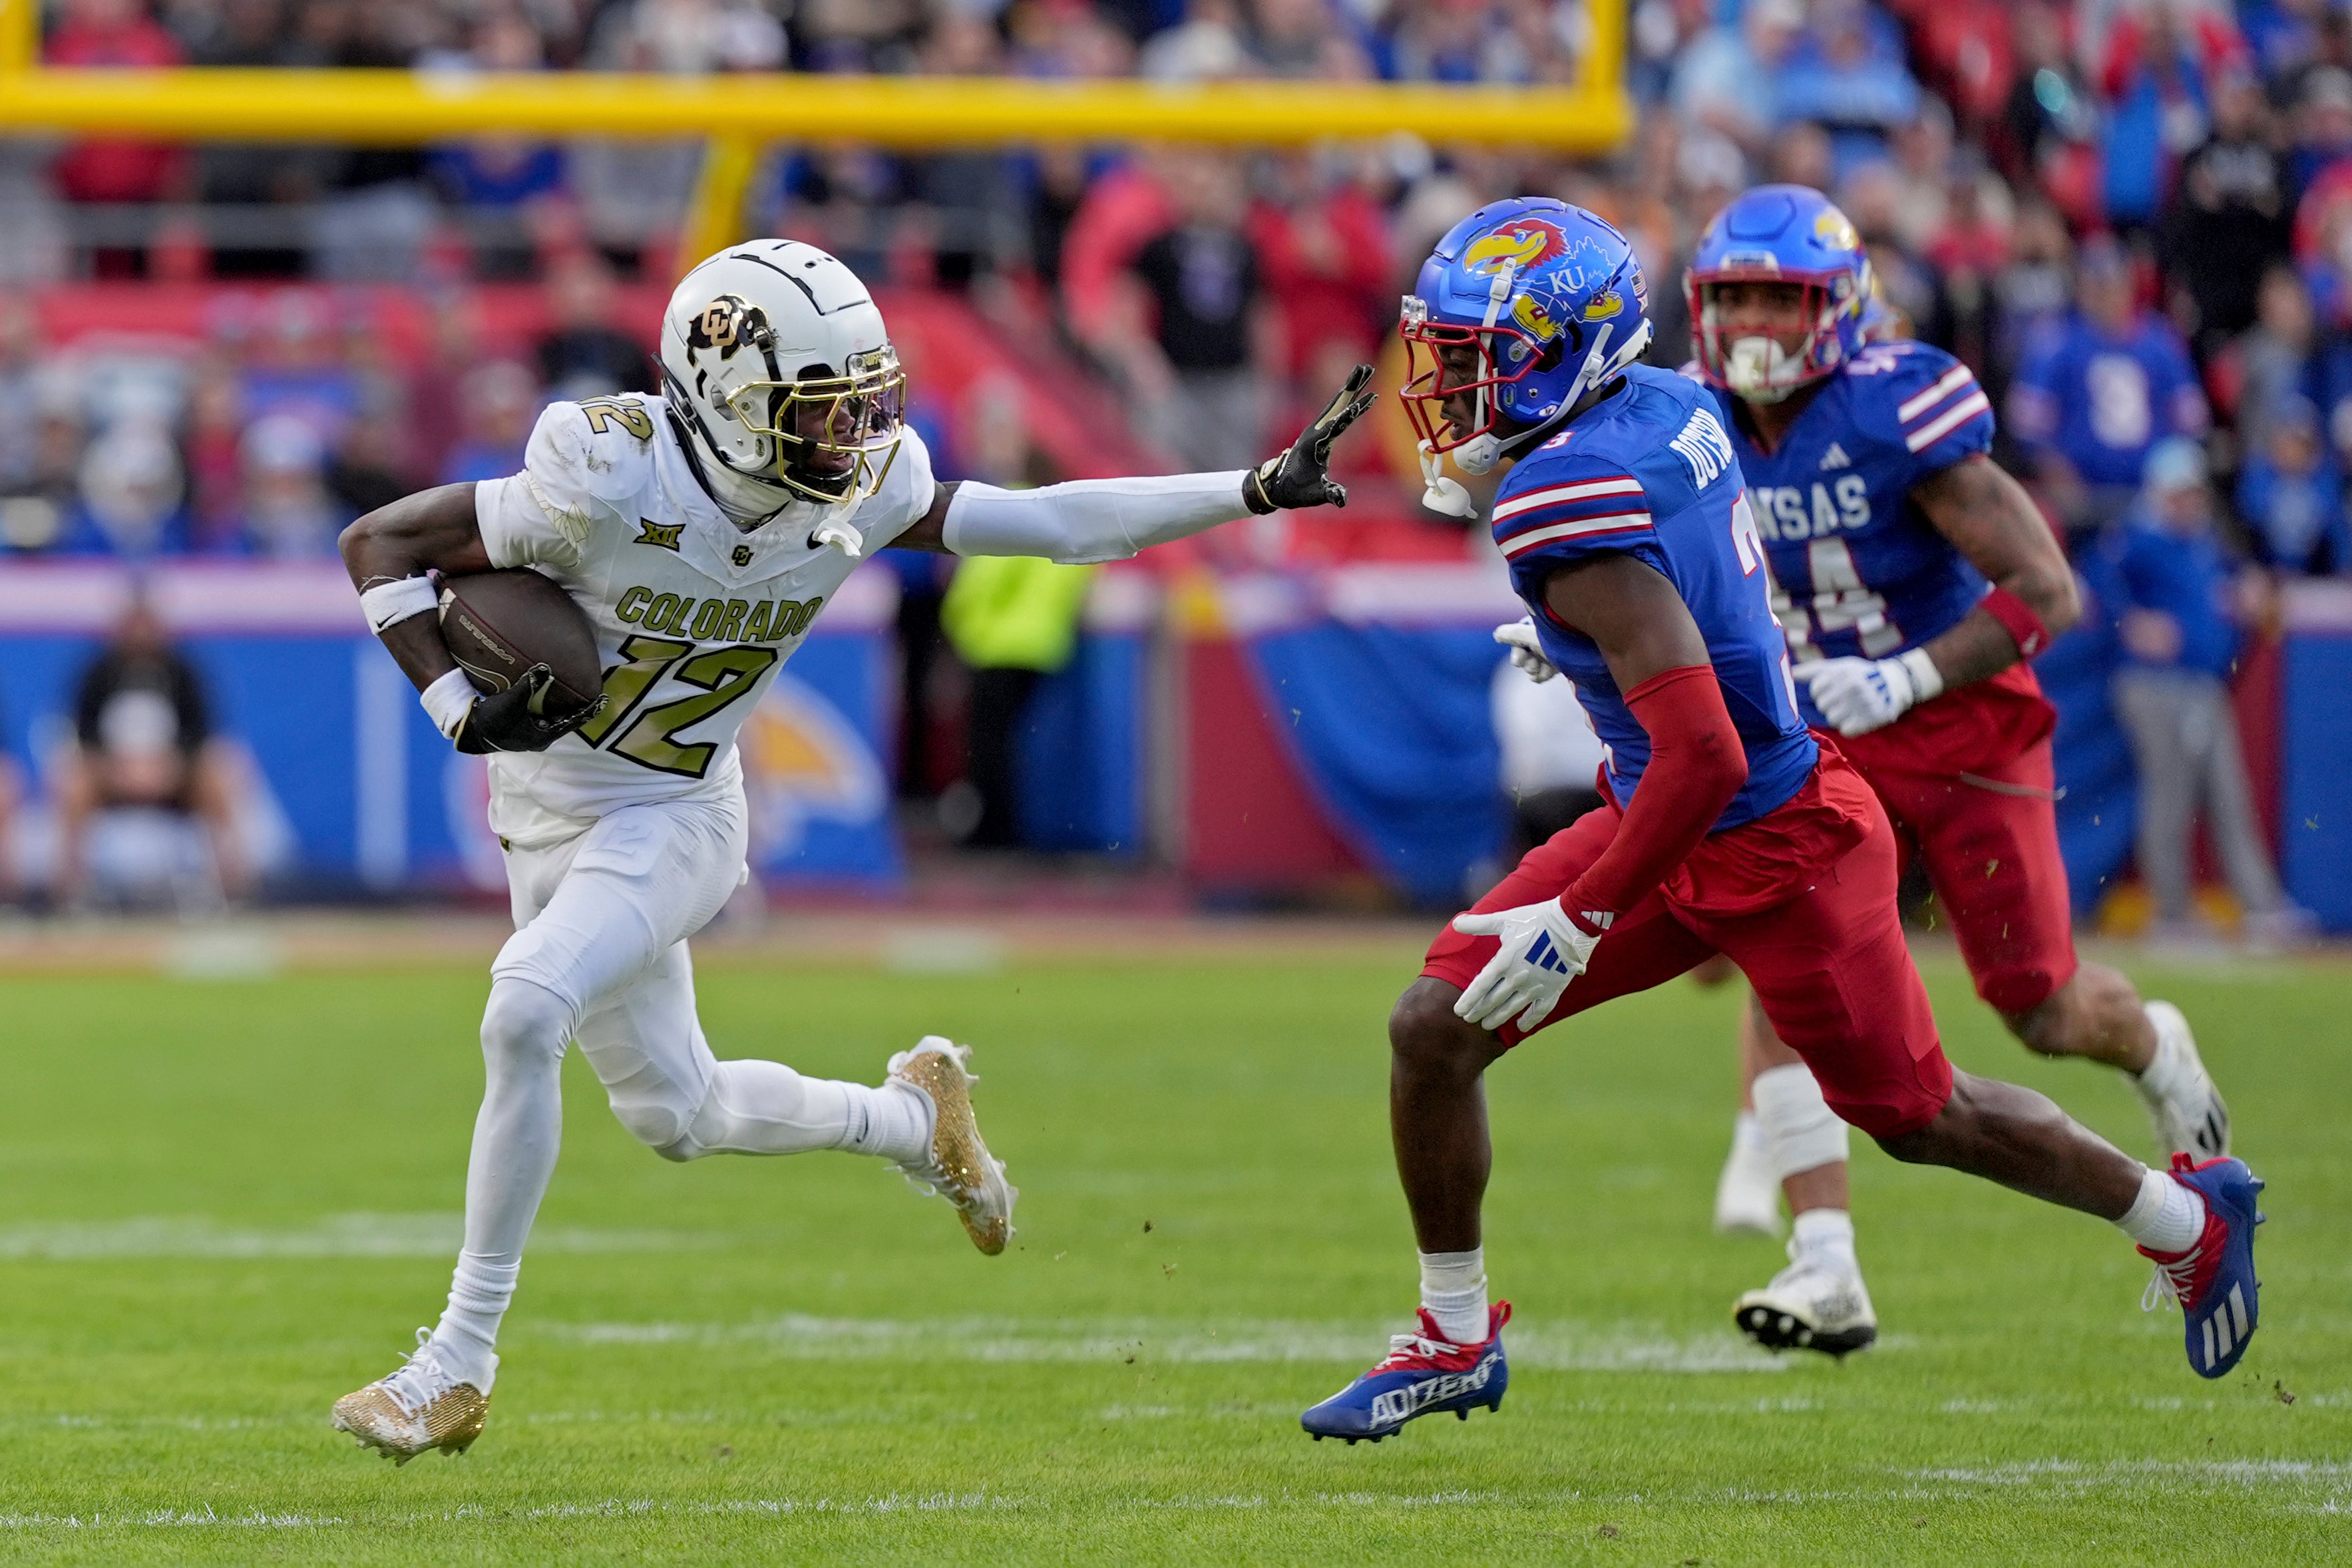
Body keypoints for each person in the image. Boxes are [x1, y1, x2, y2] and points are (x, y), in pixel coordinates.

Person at [333, 236, 1375, 1463]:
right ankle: (912, 1120)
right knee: (681, 1112)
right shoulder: (606, 473)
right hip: (545, 808)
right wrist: (457, 706)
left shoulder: (860, 489)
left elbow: (1046, 522)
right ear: (723, 403)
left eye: (855, 404)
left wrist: (1246, 487)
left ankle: (454, 1360)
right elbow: (379, 550)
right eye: (815, 411)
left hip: (673, 811)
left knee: (521, 1008)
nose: (850, 436)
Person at [1298, 200, 2264, 1446]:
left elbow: (1700, 748)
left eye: (1472, 360)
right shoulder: (1668, 409)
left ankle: (2187, 1223)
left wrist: (1578, 912)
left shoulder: (1563, 493)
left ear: (1560, 350)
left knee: (1924, 1117)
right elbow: (1697, 610)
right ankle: (1450, 1335)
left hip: (1771, 839)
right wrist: (1580, 649)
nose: (1442, 390)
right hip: (1674, 806)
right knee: (1432, 1026)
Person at [1672, 184, 2231, 1357]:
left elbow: (2046, 590)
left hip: (1963, 730)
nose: (1757, 326)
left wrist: (1907, 677)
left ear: (1834, 309)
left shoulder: (1892, 412)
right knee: (1788, 962)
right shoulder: (1694, 425)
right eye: (1735, 299)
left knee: (2038, 1009)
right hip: (1823, 735)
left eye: (1781, 299)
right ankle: (1823, 1260)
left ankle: (2156, 1047)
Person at [2102, 439, 2315, 950]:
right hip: (2157, 684)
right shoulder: (2139, 536)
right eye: (2182, 493)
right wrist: (2132, 621)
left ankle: (2260, 906)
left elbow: (2229, 586)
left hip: (2200, 682)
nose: (2191, 501)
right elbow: (2098, 584)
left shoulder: (2200, 541)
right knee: (2170, 795)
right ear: (2162, 493)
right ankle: (2171, 913)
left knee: (2227, 793)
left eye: (2195, 492)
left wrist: (2245, 592)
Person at [54, 588, 247, 908]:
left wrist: (171, 765)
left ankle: (232, 890)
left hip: (173, 775)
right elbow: (82, 731)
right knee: (74, 783)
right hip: (112, 774)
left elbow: (202, 730)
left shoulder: (182, 672)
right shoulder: (98, 672)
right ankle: (70, 894)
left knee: (220, 774)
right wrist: (117, 767)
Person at [2007, 236, 2210, 534]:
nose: (2106, 295)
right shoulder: (2057, 343)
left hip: (2154, 497)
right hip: (2081, 496)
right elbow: (2029, 425)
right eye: (2096, 285)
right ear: (2082, 289)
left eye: (2113, 284)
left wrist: (2173, 480)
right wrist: (2058, 475)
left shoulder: (2160, 343)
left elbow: (2190, 422)